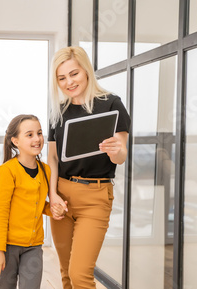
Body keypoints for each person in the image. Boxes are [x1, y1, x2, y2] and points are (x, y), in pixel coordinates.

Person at [47, 46, 131, 289]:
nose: (68, 82)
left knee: (79, 274)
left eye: (73, 74)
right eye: (61, 78)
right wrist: (52, 195)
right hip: (61, 194)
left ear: (86, 71)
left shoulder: (112, 104)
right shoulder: (58, 112)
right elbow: (52, 159)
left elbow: (121, 156)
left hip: (95, 196)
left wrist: (117, 151)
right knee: (65, 273)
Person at [0, 114, 64, 289]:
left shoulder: (45, 170)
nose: (37, 139)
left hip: (34, 246)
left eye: (39, 133)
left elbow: (37, 203)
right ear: (15, 141)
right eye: (29, 135)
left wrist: (53, 210)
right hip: (8, 245)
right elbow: (1, 212)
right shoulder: (7, 171)